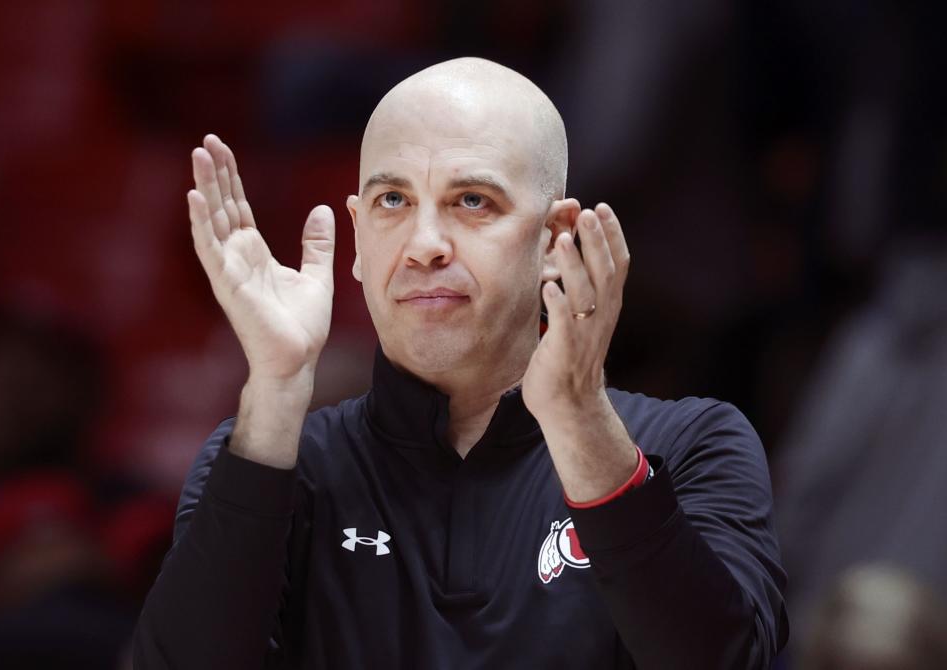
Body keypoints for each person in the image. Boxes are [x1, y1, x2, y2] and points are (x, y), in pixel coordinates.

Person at [133, 57, 788, 669]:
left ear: (556, 239)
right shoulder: (269, 459)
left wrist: (577, 420)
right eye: (393, 202)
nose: (423, 246)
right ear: (357, 238)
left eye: (471, 201)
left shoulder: (694, 445)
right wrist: (276, 387)